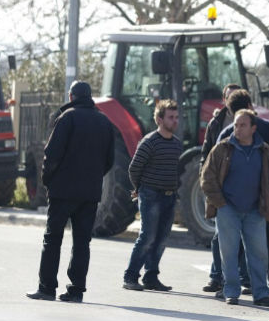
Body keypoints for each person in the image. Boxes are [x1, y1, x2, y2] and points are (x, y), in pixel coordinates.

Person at [26, 81, 115, 303]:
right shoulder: (104, 121)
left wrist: (48, 181)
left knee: (53, 238)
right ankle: (76, 291)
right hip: (89, 194)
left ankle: (47, 288)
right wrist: (93, 179)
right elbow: (109, 160)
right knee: (82, 242)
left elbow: (52, 154)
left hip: (63, 192)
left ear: (71, 96)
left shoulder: (67, 118)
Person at [217, 90, 269, 301]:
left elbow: (211, 162)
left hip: (249, 198)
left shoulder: (231, 131)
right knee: (267, 241)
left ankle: (231, 284)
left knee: (232, 244)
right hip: (262, 195)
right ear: (251, 104)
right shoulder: (267, 128)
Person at [201, 109, 269, 306]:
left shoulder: (265, 151)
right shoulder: (222, 149)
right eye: (236, 124)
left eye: (243, 125)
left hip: (255, 210)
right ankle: (231, 291)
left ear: (253, 128)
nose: (238, 129)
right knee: (229, 252)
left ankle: (261, 294)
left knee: (259, 253)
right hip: (228, 209)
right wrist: (220, 203)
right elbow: (207, 178)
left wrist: (267, 203)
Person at [122, 99, 183, 292]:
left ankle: (151, 276)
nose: (175, 121)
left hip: (169, 196)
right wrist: (140, 188)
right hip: (150, 195)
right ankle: (130, 276)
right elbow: (134, 169)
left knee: (161, 238)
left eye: (176, 117)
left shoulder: (176, 144)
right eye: (170, 117)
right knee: (147, 237)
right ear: (159, 119)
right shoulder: (149, 142)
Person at [200, 86, 253, 294]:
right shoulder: (217, 123)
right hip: (222, 189)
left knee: (247, 236)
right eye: (228, 95)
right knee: (220, 237)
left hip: (245, 190)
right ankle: (217, 278)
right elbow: (208, 153)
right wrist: (206, 179)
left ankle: (246, 278)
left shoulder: (253, 123)